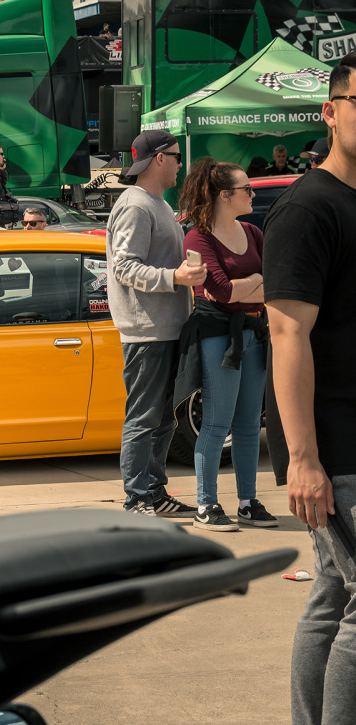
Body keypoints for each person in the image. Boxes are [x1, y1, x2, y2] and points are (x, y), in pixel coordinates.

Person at [265, 52, 356, 725]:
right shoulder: (308, 208)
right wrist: (304, 458)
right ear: (331, 112)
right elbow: (287, 335)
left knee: (333, 594)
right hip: (337, 441)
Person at [106, 129, 206, 517]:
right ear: (159, 158)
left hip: (166, 327)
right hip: (146, 331)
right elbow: (125, 267)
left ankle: (153, 492)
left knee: (163, 419)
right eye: (177, 157)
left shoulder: (157, 203)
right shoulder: (136, 205)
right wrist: (175, 278)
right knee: (145, 418)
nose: (181, 164)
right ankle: (137, 498)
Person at [177, 157, 274, 532]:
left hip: (253, 332)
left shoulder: (253, 233)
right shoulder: (197, 237)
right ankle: (207, 504)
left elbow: (272, 283)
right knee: (216, 424)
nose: (252, 193)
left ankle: (248, 502)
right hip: (219, 336)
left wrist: (243, 286)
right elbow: (218, 292)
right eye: (246, 189)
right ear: (224, 195)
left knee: (250, 423)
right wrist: (254, 281)